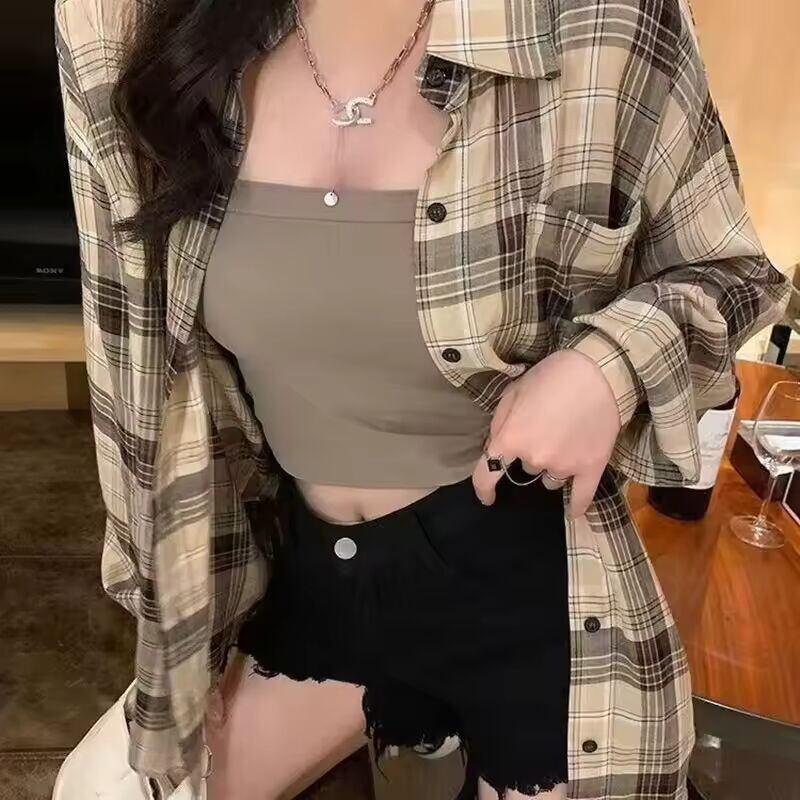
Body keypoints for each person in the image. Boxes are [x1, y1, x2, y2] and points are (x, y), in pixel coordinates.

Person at [52, 0, 790, 797]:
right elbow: (130, 361)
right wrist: (173, 631)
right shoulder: (119, 23)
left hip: (519, 574)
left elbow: (731, 273)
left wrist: (606, 367)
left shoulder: (603, 20)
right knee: (96, 788)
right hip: (304, 572)